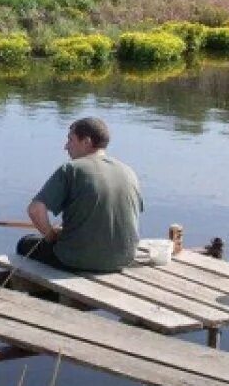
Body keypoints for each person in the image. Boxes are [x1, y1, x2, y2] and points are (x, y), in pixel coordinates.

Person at [17, 117, 143, 272]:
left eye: (70, 139)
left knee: (24, 243)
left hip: (77, 259)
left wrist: (51, 236)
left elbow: (35, 210)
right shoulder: (128, 171)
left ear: (86, 142)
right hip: (124, 258)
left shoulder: (71, 169)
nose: (66, 146)